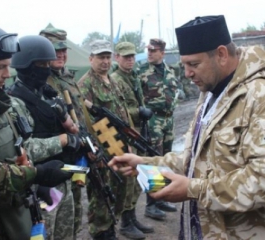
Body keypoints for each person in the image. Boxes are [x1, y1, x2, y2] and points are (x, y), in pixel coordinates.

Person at [108, 15, 265, 239]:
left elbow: (260, 180)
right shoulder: (210, 92)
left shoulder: (258, 96)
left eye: (194, 64)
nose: (188, 74)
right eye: (184, 65)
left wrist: (193, 189)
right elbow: (196, 159)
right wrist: (146, 163)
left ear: (221, 54)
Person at [0, 24, 74, 240]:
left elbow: (15, 150)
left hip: (13, 215)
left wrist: (30, 182)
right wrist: (36, 174)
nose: (8, 74)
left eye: (8, 66)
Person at [6, 35, 84, 240]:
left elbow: (72, 127)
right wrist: (64, 140)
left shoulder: (48, 95)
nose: (47, 68)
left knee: (66, 233)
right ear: (26, 65)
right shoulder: (14, 102)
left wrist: (77, 137)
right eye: (42, 64)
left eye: (48, 63)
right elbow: (24, 148)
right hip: (39, 185)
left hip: (62, 177)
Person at [78, 40, 137, 240]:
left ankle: (112, 225)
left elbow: (123, 112)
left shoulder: (114, 81)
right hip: (102, 148)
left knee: (121, 188)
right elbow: (84, 122)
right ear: (91, 59)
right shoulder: (85, 85)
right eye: (100, 57)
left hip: (120, 144)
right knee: (102, 192)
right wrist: (95, 151)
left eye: (107, 57)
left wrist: (129, 138)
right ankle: (100, 231)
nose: (105, 61)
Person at [39, 24, 86, 237]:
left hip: (76, 152)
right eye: (54, 50)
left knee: (75, 208)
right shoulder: (39, 81)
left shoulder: (67, 77)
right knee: (52, 218)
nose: (61, 55)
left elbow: (80, 112)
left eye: (63, 50)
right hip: (55, 158)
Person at [111, 41, 154, 238]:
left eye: (132, 56)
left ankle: (132, 217)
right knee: (128, 180)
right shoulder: (115, 79)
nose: (130, 60)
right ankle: (125, 223)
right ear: (117, 57)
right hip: (128, 133)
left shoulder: (133, 76)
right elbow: (117, 111)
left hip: (138, 131)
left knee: (138, 177)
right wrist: (138, 112)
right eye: (125, 56)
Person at [139, 38, 178, 219]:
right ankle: (151, 203)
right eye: (149, 50)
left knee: (166, 160)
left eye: (154, 50)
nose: (150, 53)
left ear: (162, 53)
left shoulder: (170, 72)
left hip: (168, 121)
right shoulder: (141, 72)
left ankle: (162, 197)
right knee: (153, 160)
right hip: (152, 120)